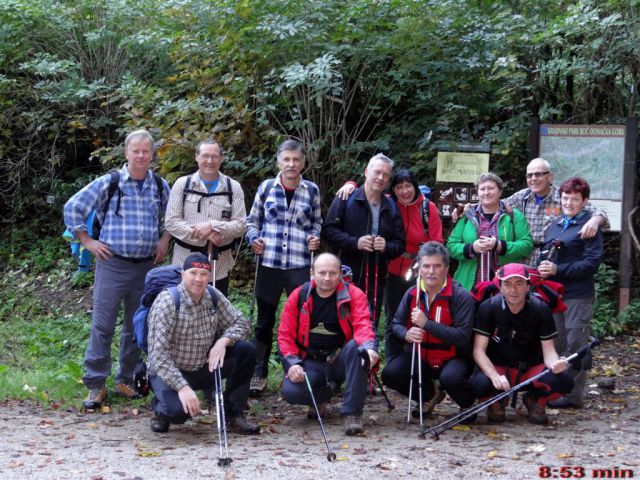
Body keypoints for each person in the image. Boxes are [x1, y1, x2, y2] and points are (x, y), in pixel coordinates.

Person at [64, 129, 172, 410]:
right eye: (135, 151)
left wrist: (164, 239)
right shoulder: (109, 182)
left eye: (145, 151)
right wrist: (87, 241)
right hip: (112, 264)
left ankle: (127, 379)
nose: (140, 156)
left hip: (146, 268)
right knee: (103, 325)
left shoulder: (160, 186)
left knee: (136, 326)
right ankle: (96, 384)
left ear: (152, 156)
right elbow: (72, 207)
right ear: (126, 153)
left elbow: (173, 217)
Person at [335, 169, 443, 359]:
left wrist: (425, 262)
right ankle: (393, 364)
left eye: (408, 186)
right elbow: (368, 188)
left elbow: (437, 241)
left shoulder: (427, 208)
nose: (404, 191)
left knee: (421, 316)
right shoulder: (389, 204)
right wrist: (350, 183)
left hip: (422, 271)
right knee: (394, 317)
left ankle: (421, 361)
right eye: (399, 187)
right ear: (392, 189)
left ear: (415, 186)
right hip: (392, 269)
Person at [146, 253, 259, 434]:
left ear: (210, 276)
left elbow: (241, 323)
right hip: (169, 371)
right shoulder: (167, 302)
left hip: (203, 366)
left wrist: (223, 341)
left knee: (246, 350)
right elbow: (158, 356)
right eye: (193, 273)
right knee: (179, 413)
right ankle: (161, 410)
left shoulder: (213, 296)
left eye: (204, 274)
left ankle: (233, 415)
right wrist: (182, 387)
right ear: (183, 274)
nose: (198, 279)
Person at [245, 139, 322, 396]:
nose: (291, 164)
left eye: (296, 160)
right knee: (264, 322)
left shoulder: (311, 191)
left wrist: (315, 238)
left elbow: (316, 224)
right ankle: (258, 373)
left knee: (302, 320)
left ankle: (298, 369)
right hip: (269, 264)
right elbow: (252, 221)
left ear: (303, 163)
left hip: (299, 265)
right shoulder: (267, 188)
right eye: (286, 159)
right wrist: (253, 238)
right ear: (279, 161)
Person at [277, 253, 379, 436]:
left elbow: (364, 325)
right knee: (291, 392)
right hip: (311, 360)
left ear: (340, 273)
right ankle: (325, 394)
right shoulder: (299, 295)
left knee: (359, 349)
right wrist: (292, 364)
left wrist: (369, 348)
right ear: (312, 273)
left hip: (342, 358)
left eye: (332, 273)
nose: (327, 278)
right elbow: (285, 335)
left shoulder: (354, 294)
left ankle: (352, 413)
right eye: (322, 272)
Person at [453, 158, 608, 266]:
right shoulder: (523, 197)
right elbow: (492, 202)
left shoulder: (562, 197)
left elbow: (598, 212)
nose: (533, 178)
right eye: (530, 175)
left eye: (538, 174)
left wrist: (595, 220)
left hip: (553, 258)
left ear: (550, 176)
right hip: (525, 259)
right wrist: (465, 209)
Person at [471, 263, 574, 425]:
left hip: (529, 369)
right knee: (478, 384)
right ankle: (496, 402)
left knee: (564, 381)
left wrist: (556, 364)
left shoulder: (540, 309)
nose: (513, 290)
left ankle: (535, 399)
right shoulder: (488, 308)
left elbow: (549, 352)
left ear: (528, 286)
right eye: (508, 284)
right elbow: (478, 351)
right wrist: (494, 376)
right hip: (498, 367)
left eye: (519, 283)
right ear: (500, 286)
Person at [381, 242, 475, 418]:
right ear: (420, 268)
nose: (431, 271)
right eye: (426, 266)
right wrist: (406, 334)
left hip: (453, 357)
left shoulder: (461, 296)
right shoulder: (412, 293)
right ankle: (430, 395)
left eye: (437, 266)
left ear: (446, 268)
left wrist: (427, 324)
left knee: (451, 379)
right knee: (390, 374)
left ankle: (467, 402)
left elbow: (462, 337)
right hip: (420, 355)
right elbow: (396, 324)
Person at [538, 177, 603, 409]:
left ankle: (573, 395)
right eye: (565, 198)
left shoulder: (588, 227)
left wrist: (558, 269)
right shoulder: (555, 225)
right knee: (555, 344)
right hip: (554, 295)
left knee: (575, 345)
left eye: (574, 199)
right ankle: (555, 390)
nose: (569, 203)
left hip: (578, 295)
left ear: (584, 201)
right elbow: (546, 255)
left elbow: (591, 264)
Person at [322, 154, 405, 332]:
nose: (381, 178)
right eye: (377, 172)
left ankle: (366, 358)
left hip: (376, 278)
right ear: (366, 172)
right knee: (341, 322)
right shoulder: (346, 198)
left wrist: (387, 247)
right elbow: (328, 231)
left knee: (369, 325)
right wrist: (355, 242)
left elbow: (400, 244)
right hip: (347, 273)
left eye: (385, 174)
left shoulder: (391, 206)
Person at [165, 139, 246, 296]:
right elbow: (171, 222)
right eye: (205, 156)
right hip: (184, 264)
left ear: (221, 158)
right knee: (183, 311)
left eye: (215, 156)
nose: (210, 161)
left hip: (218, 266)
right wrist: (205, 234)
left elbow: (241, 225)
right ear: (197, 157)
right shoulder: (183, 184)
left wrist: (213, 225)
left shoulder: (232, 187)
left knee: (215, 310)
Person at [447, 172, 533, 291]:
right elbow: (451, 246)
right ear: (477, 192)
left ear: (500, 191)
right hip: (469, 285)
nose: (486, 192)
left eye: (491, 188)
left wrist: (499, 246)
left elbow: (526, 245)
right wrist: (472, 248)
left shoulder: (513, 215)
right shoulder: (467, 215)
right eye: (482, 189)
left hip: (505, 285)